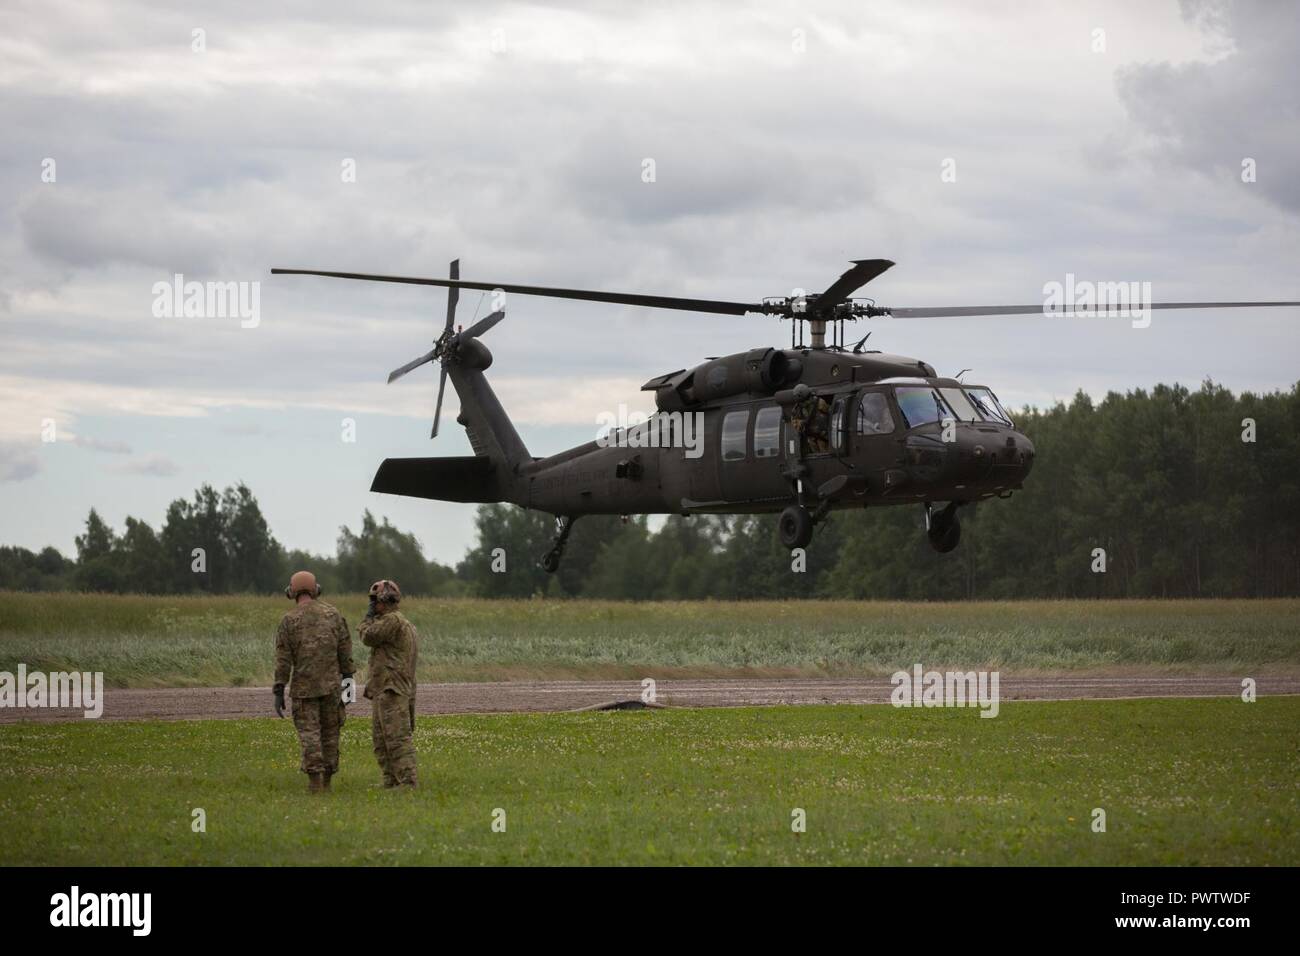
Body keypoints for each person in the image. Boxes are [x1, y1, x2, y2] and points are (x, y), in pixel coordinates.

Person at [273, 570, 354, 794]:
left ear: (292, 591)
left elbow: (283, 659)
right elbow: (345, 651)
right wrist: (348, 683)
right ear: (315, 589)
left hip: (303, 690)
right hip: (332, 688)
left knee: (310, 736)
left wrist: (279, 689)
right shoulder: (334, 615)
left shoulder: (289, 620)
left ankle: (315, 783)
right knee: (330, 734)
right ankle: (327, 783)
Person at [360, 579, 419, 789]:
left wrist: (367, 618)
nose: (373, 606)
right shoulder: (401, 622)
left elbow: (368, 636)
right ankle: (391, 780)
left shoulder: (392, 621)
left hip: (392, 688)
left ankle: (407, 782)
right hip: (385, 688)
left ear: (384, 600)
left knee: (396, 738)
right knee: (381, 739)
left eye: (374, 601)